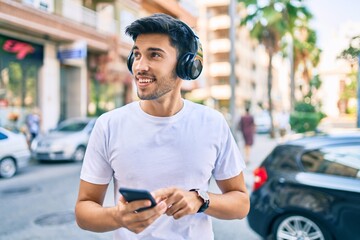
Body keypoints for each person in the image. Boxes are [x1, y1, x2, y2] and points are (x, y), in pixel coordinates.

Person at [75, 13, 249, 240]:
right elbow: (83, 210)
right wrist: (117, 217)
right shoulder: (108, 125)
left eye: (154, 55)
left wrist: (200, 199)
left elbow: (241, 203)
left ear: (186, 65)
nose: (140, 66)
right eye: (136, 55)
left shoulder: (212, 123)